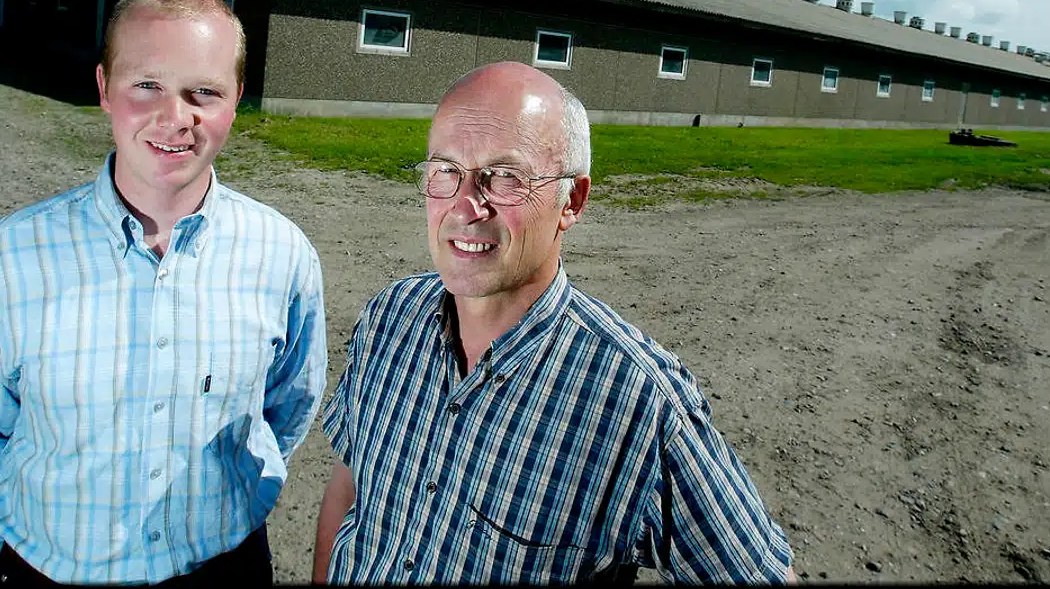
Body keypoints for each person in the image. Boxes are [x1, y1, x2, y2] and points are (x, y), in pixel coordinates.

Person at [312, 61, 795, 584]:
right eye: (445, 171)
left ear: (573, 200)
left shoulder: (635, 402)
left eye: (506, 178)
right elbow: (351, 487)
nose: (465, 207)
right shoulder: (390, 318)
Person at [0, 0, 327, 586]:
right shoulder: (6, 261)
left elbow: (288, 408)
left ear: (236, 100)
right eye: (147, 85)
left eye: (205, 92)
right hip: (52, 571)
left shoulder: (282, 254)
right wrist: (10, 536)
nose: (176, 117)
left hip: (224, 568)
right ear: (103, 90)